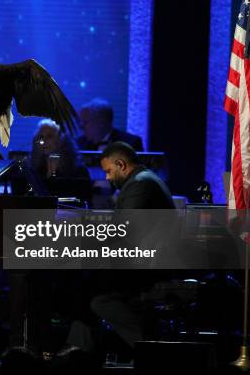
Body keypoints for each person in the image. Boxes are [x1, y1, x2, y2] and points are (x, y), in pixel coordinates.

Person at [62, 142, 174, 358]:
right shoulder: (143, 180)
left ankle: (150, 350)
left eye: (108, 171)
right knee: (87, 287)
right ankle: (77, 350)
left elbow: (123, 231)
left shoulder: (140, 185)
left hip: (148, 267)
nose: (107, 178)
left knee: (87, 289)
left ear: (121, 164)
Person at [76, 98, 144, 152]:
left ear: (101, 123)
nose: (81, 127)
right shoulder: (79, 145)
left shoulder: (130, 144)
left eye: (85, 122)